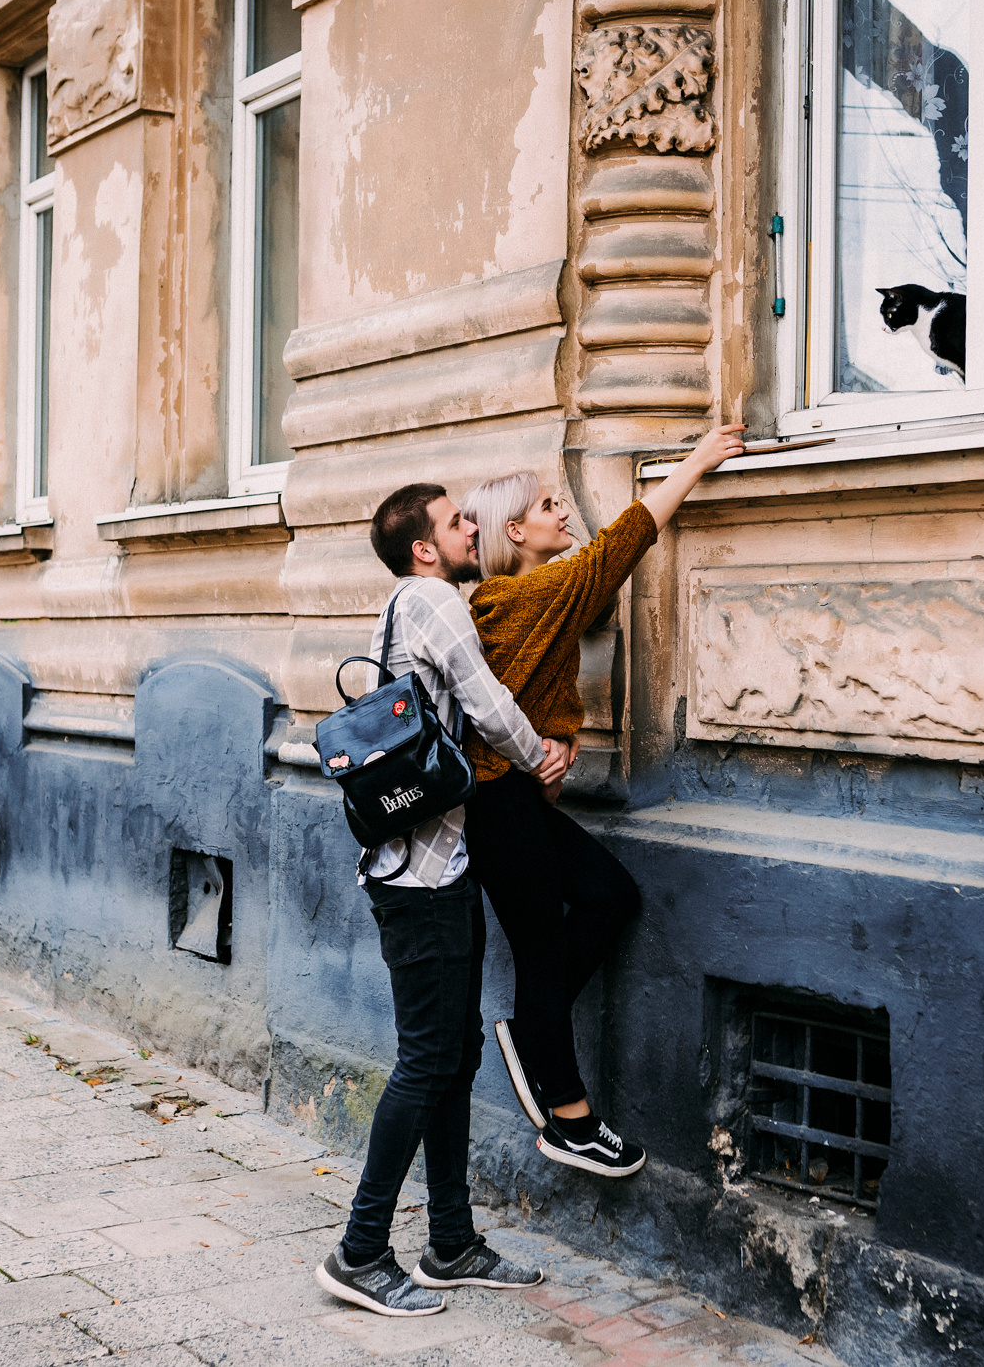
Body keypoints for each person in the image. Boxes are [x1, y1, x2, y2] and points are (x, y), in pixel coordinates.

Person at [315, 483, 575, 1317]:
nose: (472, 529)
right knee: (428, 1059)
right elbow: (487, 703)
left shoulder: (407, 606)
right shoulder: (433, 600)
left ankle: (452, 1242)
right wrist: (540, 757)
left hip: (438, 865)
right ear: (425, 547)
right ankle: (359, 1252)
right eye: (458, 521)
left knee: (455, 1053)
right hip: (420, 881)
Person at [460, 424, 747, 1177]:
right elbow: (626, 538)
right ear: (515, 532)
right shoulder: (534, 593)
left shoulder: (517, 598)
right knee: (542, 950)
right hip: (498, 801)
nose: (564, 511)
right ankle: (570, 1118)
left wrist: (556, 743)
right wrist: (697, 460)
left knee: (608, 895)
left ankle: (531, 1037)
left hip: (515, 797)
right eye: (548, 506)